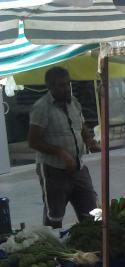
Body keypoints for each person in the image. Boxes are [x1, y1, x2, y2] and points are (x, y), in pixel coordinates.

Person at [28, 67, 99, 228]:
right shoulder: (41, 107)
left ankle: (95, 239)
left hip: (78, 167)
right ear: (50, 86)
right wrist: (61, 152)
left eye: (68, 84)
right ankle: (54, 242)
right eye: (61, 85)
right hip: (53, 170)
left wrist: (89, 140)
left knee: (94, 213)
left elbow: (81, 125)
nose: (67, 88)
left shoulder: (74, 102)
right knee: (54, 217)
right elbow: (33, 141)